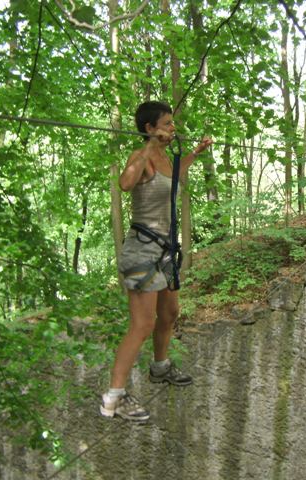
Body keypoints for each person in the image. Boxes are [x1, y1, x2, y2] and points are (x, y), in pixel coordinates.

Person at [100, 101, 213, 422]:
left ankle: (160, 367)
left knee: (170, 312)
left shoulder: (165, 158)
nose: (173, 128)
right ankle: (113, 398)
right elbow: (125, 184)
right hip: (141, 252)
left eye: (172, 123)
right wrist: (149, 146)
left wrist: (197, 153)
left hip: (164, 251)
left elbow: (175, 175)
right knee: (142, 324)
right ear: (150, 128)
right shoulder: (143, 156)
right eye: (167, 123)